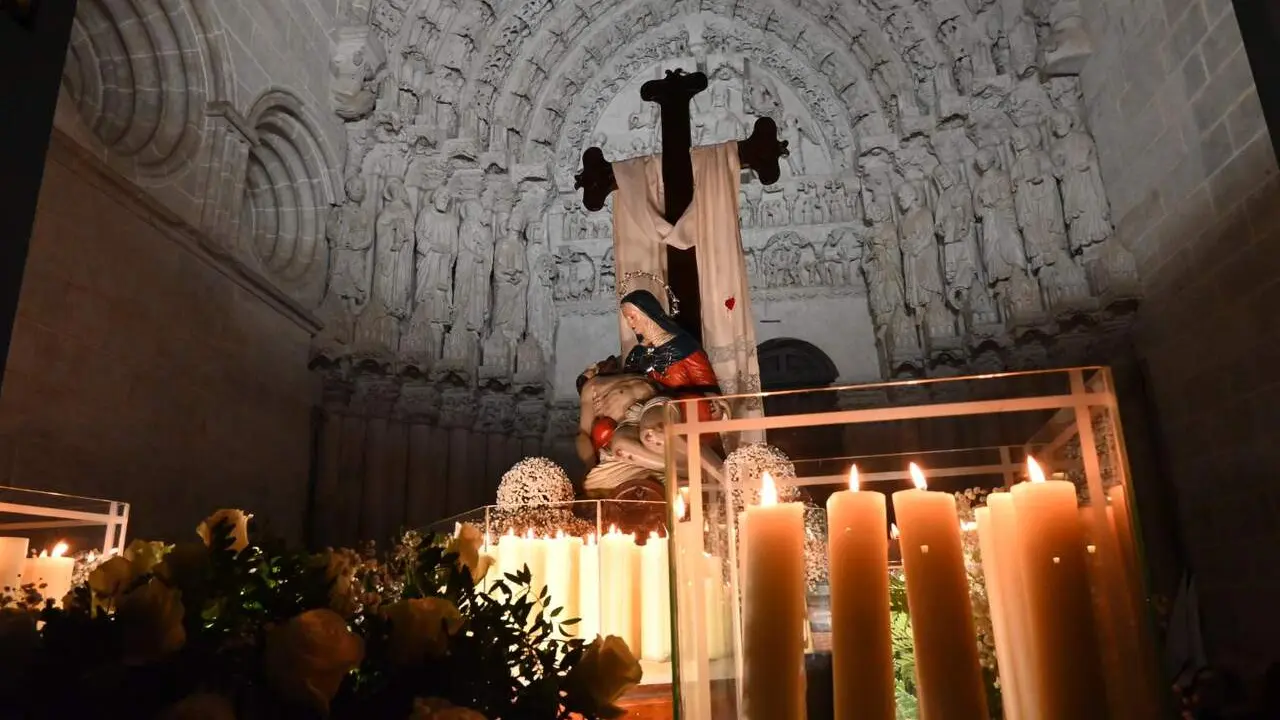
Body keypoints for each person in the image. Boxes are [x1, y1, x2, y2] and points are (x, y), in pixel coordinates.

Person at [576, 290, 726, 494]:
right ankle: (696, 473)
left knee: (651, 435)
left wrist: (712, 400)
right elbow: (583, 434)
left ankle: (719, 472)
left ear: (647, 313)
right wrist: (588, 462)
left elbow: (704, 383)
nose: (630, 323)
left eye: (632, 316)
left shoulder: (673, 349)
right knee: (620, 449)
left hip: (654, 405)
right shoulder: (627, 364)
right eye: (627, 318)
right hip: (628, 423)